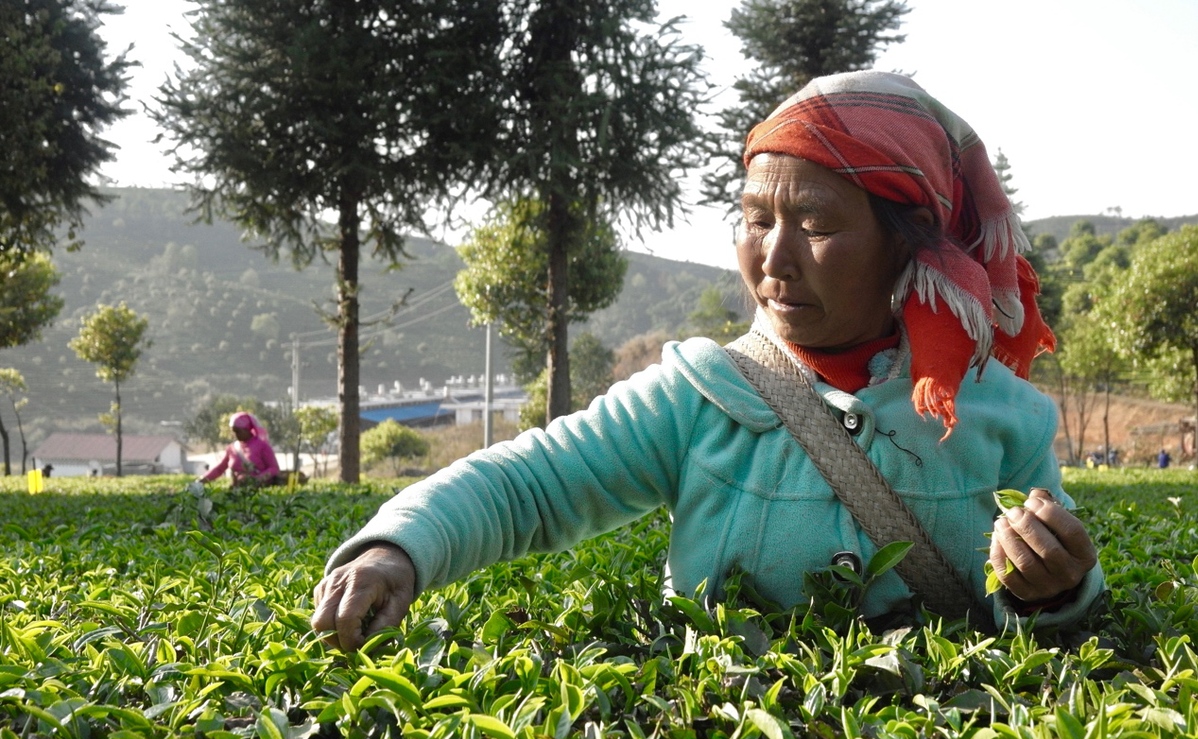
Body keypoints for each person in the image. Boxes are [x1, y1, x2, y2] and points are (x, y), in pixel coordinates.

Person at [312, 71, 1104, 652]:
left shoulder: (1003, 414)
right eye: (756, 218)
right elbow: (533, 484)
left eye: (817, 225)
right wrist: (399, 548)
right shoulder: (702, 396)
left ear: (908, 242)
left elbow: (1037, 614)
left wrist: (1056, 587)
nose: (774, 259)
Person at [199, 411, 280, 487]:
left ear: (247, 429)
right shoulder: (232, 448)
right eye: (233, 431)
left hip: (259, 490)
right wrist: (202, 480)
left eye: (238, 431)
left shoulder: (262, 446)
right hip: (237, 489)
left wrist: (256, 479)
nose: (235, 434)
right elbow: (219, 469)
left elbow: (274, 468)